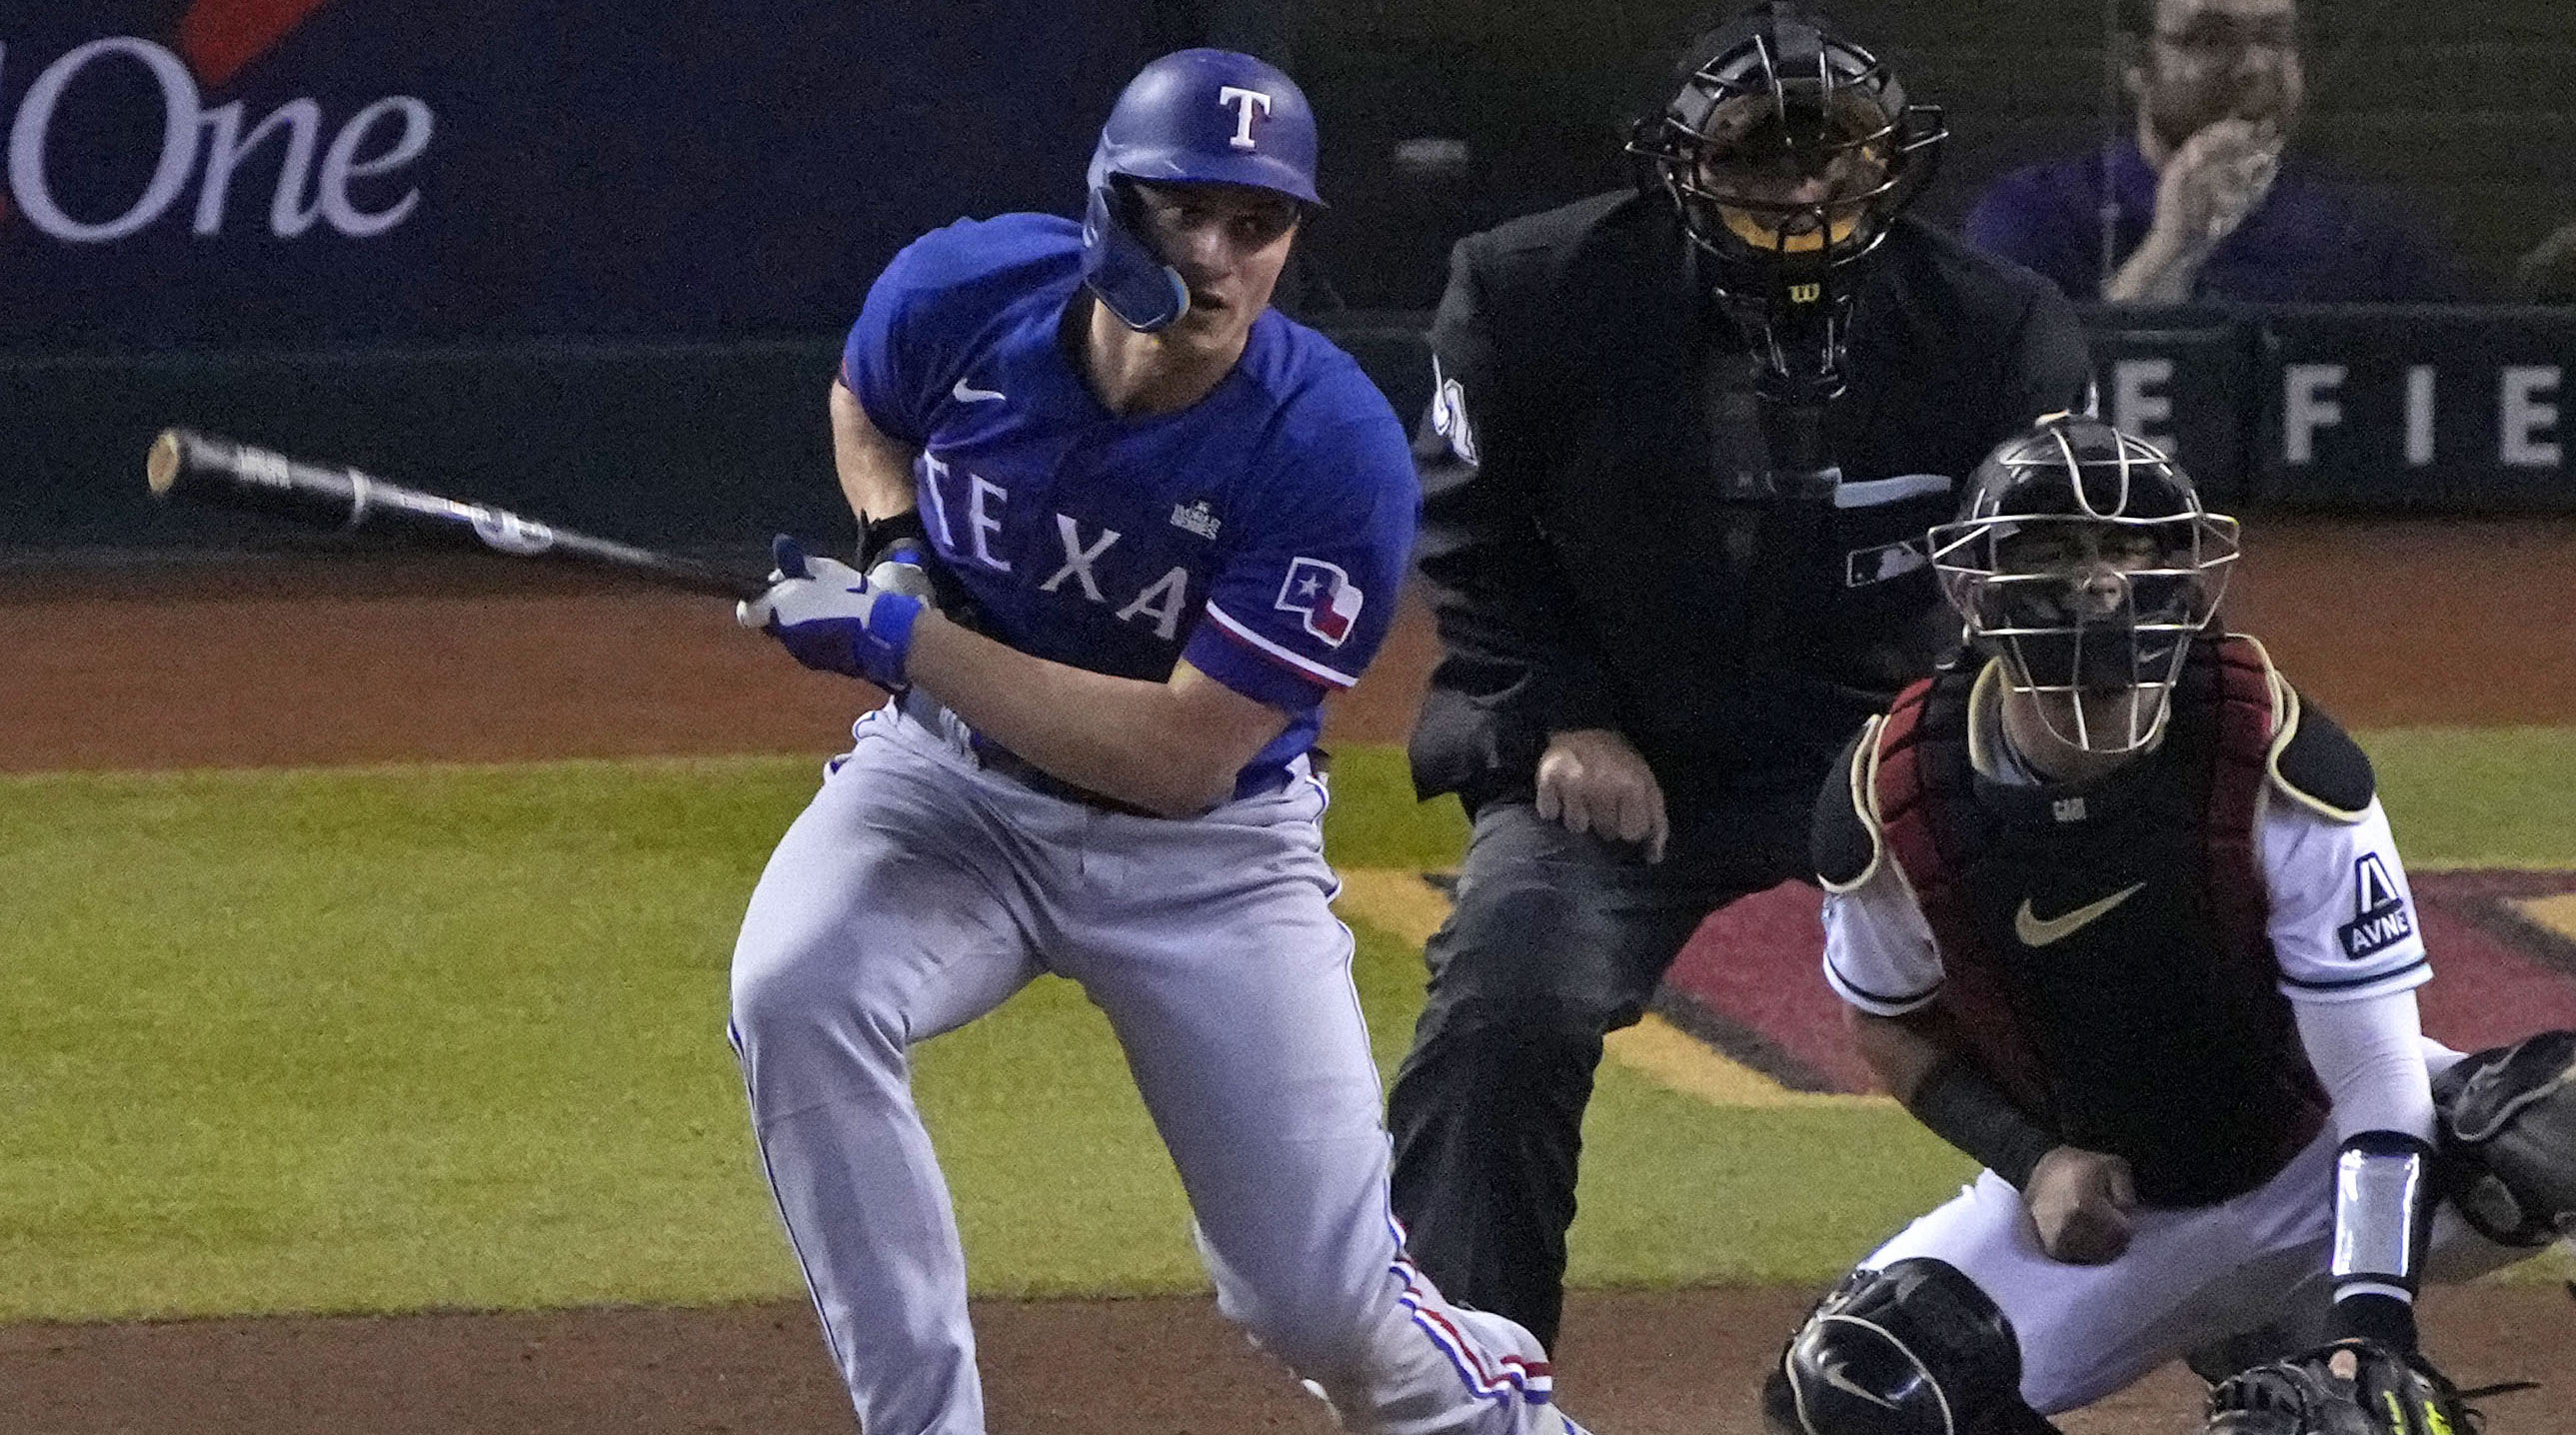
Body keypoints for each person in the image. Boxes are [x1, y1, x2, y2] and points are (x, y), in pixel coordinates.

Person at [727, 49, 1592, 1435]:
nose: (1215, 254)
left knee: (1316, 1309)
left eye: (1257, 225)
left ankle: (1497, 1413)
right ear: (1102, 209)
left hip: (1204, 862)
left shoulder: (1327, 453)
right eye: (1180, 211)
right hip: (947, 792)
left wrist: (902, 641)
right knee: (797, 989)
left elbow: (1182, 756)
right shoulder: (962, 293)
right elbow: (865, 404)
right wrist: (894, 549)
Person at [1384, 0, 2095, 1354]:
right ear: (1684, 166)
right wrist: (1557, 718)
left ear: (1897, 162)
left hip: (1888, 744)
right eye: (1766, 155)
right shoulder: (1528, 289)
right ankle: (1464, 1374)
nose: (1808, 186)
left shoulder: (1999, 325)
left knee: (2121, 961)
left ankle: (2282, 1343)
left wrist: (1964, 756)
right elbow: (1470, 543)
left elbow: (2035, 586)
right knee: (1506, 995)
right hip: (1621, 742)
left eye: (1839, 153)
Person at [1760, 413, 2576, 1435]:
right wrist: (2032, 1156)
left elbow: (2374, 1082)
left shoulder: (2273, 756)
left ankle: (2300, 1326)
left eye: (2131, 545)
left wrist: (2371, 1326)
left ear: (2180, 569)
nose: (2101, 581)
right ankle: (2256, 1330)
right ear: (1976, 586)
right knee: (1845, 1385)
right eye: (2056, 547)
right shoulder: (1899, 794)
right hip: (2121, 1214)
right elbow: (1887, 1020)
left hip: (2319, 1154)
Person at [1965, 0, 2469, 304]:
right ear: (2136, 63)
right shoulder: (2034, 213)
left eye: (2274, 37)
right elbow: (2038, 408)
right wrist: (2172, 250)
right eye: (2211, 39)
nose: (2253, 66)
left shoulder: (2366, 231)